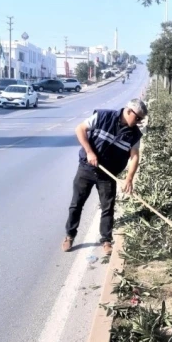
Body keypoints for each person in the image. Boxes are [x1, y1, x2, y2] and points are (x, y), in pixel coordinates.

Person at [63, 99, 148, 256]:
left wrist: (129, 178)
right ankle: (70, 236)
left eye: (141, 120)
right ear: (129, 111)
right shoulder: (103, 116)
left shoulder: (134, 134)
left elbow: (134, 156)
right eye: (138, 118)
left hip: (108, 175)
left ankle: (106, 240)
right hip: (87, 169)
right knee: (76, 204)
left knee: (107, 208)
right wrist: (89, 152)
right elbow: (80, 129)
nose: (138, 122)